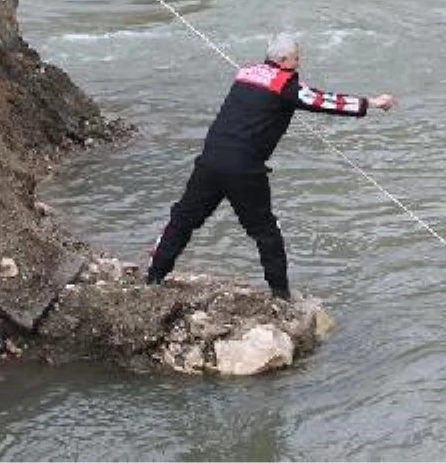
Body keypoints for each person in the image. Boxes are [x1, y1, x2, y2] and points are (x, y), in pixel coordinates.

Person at [145, 32, 397, 299]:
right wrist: (372, 103)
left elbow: (270, 94)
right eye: (297, 58)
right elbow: (324, 101)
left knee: (182, 219)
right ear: (285, 59)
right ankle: (281, 296)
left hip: (209, 161)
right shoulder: (286, 85)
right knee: (266, 232)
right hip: (244, 170)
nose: (299, 63)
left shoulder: (245, 74)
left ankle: (153, 279)